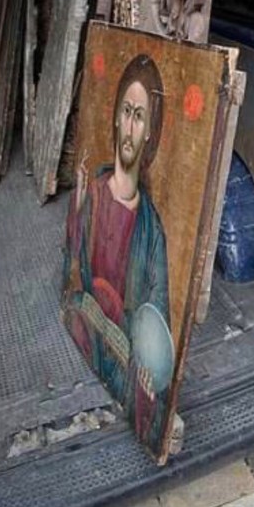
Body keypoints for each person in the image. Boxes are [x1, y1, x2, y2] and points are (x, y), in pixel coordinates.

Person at [62, 54, 172, 447]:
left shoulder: (151, 229)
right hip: (86, 330)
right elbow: (72, 275)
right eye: (126, 111)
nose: (129, 126)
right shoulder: (92, 192)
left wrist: (148, 360)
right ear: (114, 117)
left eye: (139, 117)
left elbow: (156, 306)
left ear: (150, 133)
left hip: (122, 354)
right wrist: (77, 210)